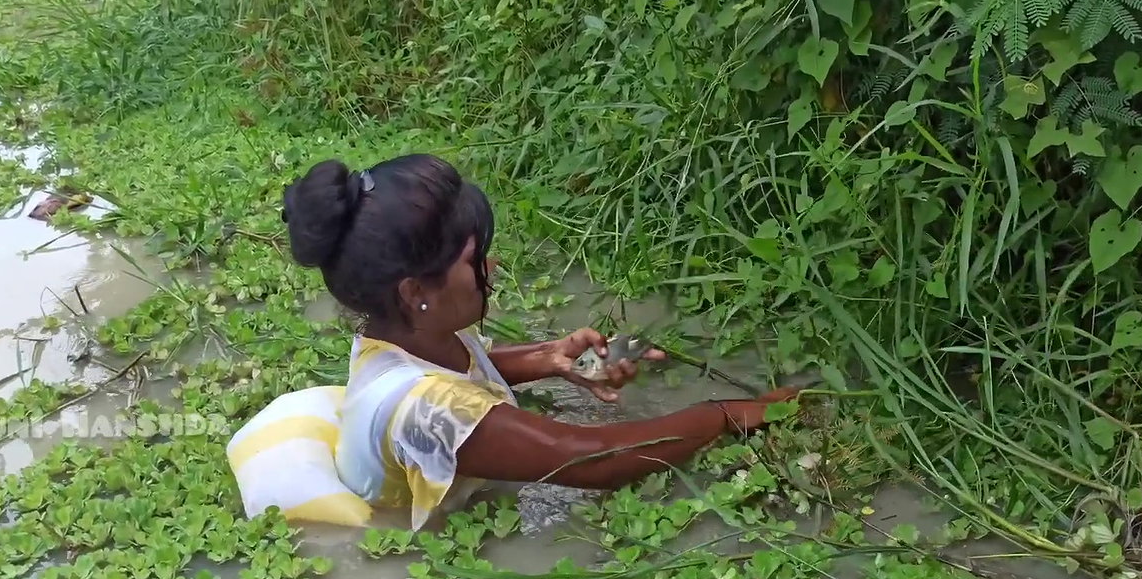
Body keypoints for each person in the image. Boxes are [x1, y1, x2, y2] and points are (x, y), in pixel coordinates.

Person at [225, 154, 800, 530]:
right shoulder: (427, 413)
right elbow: (594, 461)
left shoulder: (391, 337)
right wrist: (723, 414)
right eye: (475, 260)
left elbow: (455, 376)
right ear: (414, 291)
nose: (492, 266)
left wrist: (548, 360)